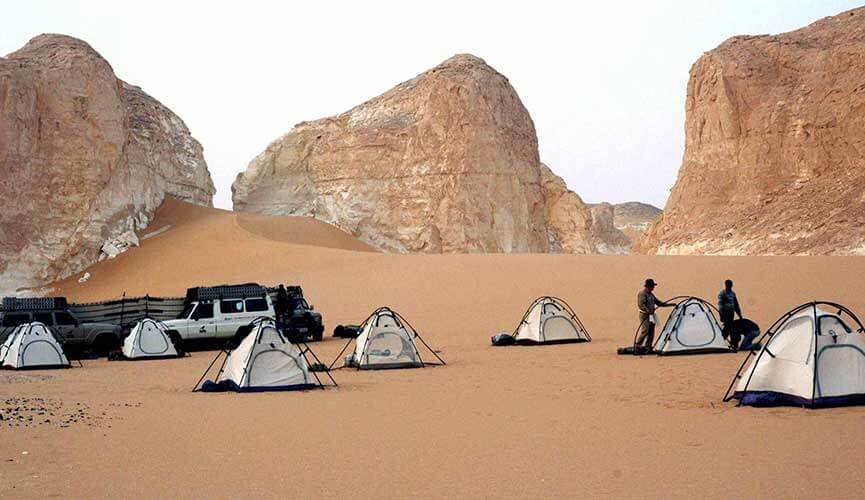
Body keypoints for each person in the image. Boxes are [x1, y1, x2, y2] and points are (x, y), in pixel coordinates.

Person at [635, 278, 673, 353]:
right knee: (645, 330)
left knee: (651, 331)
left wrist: (669, 305)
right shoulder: (642, 294)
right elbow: (641, 305)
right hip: (644, 315)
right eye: (652, 286)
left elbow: (658, 303)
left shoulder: (651, 295)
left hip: (651, 315)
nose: (653, 288)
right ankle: (637, 345)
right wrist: (648, 311)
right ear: (648, 286)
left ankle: (648, 346)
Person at [718, 279, 743, 348]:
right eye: (728, 285)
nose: (729, 286)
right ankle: (721, 340)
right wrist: (721, 314)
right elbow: (720, 305)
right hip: (725, 313)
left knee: (730, 327)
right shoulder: (722, 293)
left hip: (731, 313)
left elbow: (736, 304)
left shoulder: (733, 293)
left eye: (730, 285)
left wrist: (739, 314)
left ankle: (733, 343)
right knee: (727, 327)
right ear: (726, 285)